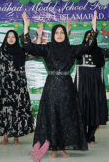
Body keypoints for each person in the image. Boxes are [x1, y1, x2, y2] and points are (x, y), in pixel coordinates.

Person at [21, 11, 98, 158]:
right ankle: (53, 148)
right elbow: (29, 47)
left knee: (66, 117)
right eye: (57, 32)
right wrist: (26, 27)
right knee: (52, 117)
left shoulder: (71, 49)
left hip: (67, 88)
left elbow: (87, 46)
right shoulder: (48, 48)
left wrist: (93, 28)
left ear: (66, 34)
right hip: (51, 88)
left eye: (62, 32)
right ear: (53, 34)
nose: (60, 34)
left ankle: (62, 148)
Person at [0, 21, 34, 145]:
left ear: (16, 39)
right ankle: (4, 136)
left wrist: (38, 36)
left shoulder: (22, 52)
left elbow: (35, 52)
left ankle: (16, 137)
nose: (10, 38)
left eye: (13, 36)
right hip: (4, 87)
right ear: (6, 38)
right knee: (4, 110)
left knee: (17, 109)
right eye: (8, 36)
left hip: (19, 86)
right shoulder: (1, 52)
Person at [74, 25, 109, 145]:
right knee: (81, 109)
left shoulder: (100, 51)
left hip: (95, 85)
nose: (89, 39)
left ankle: (91, 137)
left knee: (94, 109)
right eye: (87, 37)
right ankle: (82, 136)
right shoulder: (78, 50)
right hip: (81, 85)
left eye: (91, 37)